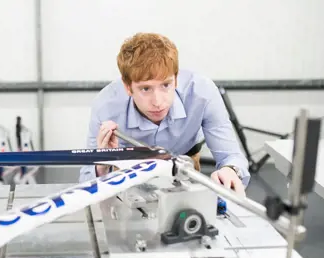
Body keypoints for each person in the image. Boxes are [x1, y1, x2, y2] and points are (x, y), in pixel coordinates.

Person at [79, 32, 249, 194]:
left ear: (175, 78)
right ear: (128, 87)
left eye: (166, 85)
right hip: (129, 168)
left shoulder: (203, 93)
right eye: (145, 88)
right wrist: (101, 164)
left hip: (184, 163)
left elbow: (231, 156)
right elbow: (86, 180)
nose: (158, 101)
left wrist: (230, 171)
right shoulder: (105, 106)